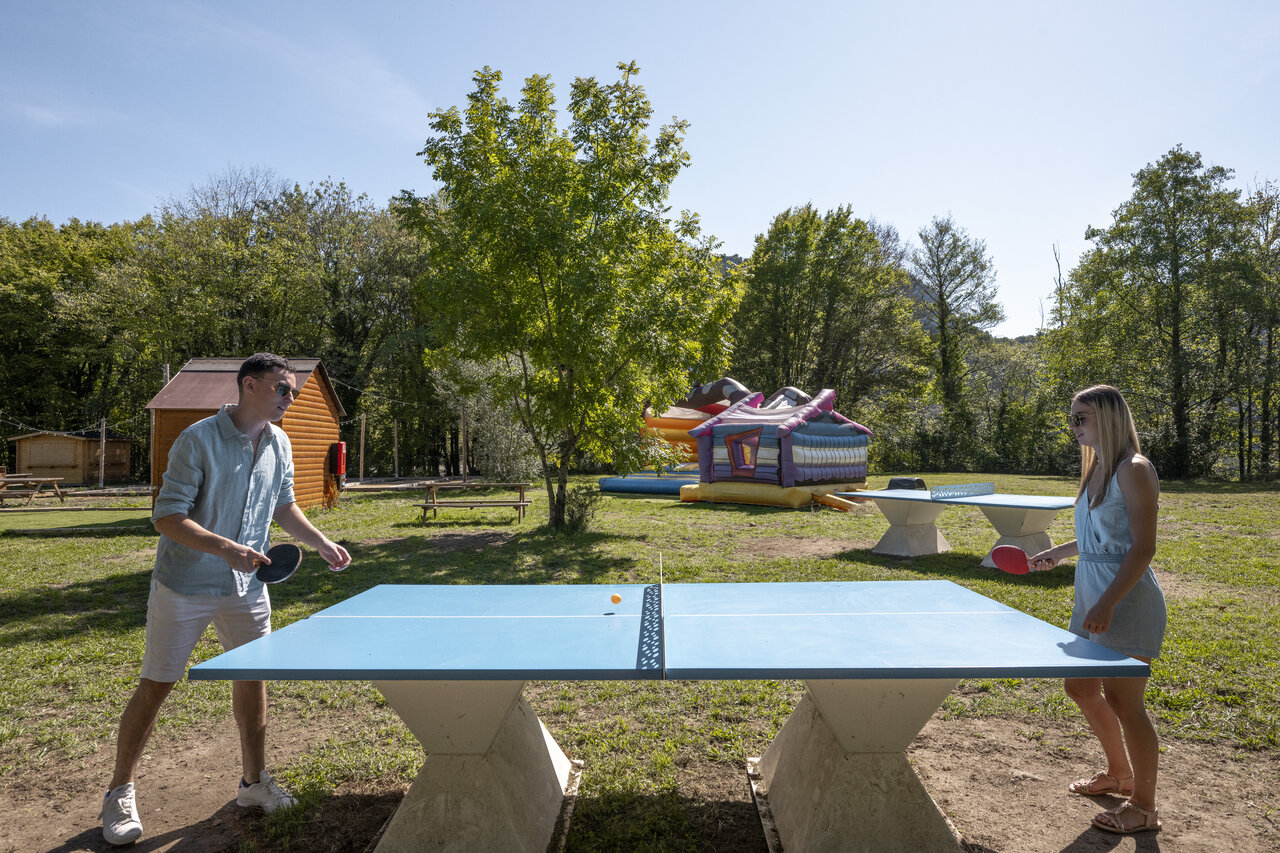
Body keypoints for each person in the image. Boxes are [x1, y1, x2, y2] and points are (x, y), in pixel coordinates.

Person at [100, 353, 352, 846]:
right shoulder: (198, 439)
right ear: (249, 386)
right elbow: (167, 516)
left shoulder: (279, 443)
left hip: (247, 587)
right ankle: (119, 792)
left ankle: (253, 784)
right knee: (158, 684)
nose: (290, 398)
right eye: (283, 389)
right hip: (186, 585)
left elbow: (284, 505)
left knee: (253, 677)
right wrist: (226, 548)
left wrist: (320, 541)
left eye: (294, 391)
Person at [1029, 384, 1166, 835]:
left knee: (1126, 703)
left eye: (1080, 418)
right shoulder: (1097, 469)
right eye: (1071, 417)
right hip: (1092, 591)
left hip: (1124, 599)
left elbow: (1141, 548)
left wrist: (1107, 602)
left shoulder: (1135, 469)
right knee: (1081, 687)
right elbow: (1098, 540)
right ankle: (1118, 773)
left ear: (1107, 418)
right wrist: (1060, 553)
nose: (1073, 426)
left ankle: (1143, 807)